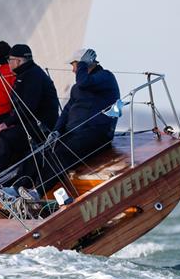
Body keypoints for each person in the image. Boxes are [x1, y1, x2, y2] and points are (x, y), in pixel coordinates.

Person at [38, 48, 120, 194]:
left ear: (85, 63)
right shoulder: (78, 87)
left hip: (96, 133)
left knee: (61, 153)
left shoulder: (105, 77)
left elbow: (84, 83)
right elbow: (67, 110)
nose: (73, 70)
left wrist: (82, 63)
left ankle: (37, 192)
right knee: (42, 152)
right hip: (75, 133)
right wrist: (56, 131)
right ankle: (19, 189)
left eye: (74, 65)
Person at [0, 44, 59, 181]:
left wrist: (6, 124)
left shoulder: (32, 77)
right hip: (30, 123)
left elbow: (27, 107)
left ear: (18, 61)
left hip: (41, 127)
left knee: (4, 138)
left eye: (10, 59)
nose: (8, 63)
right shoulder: (27, 73)